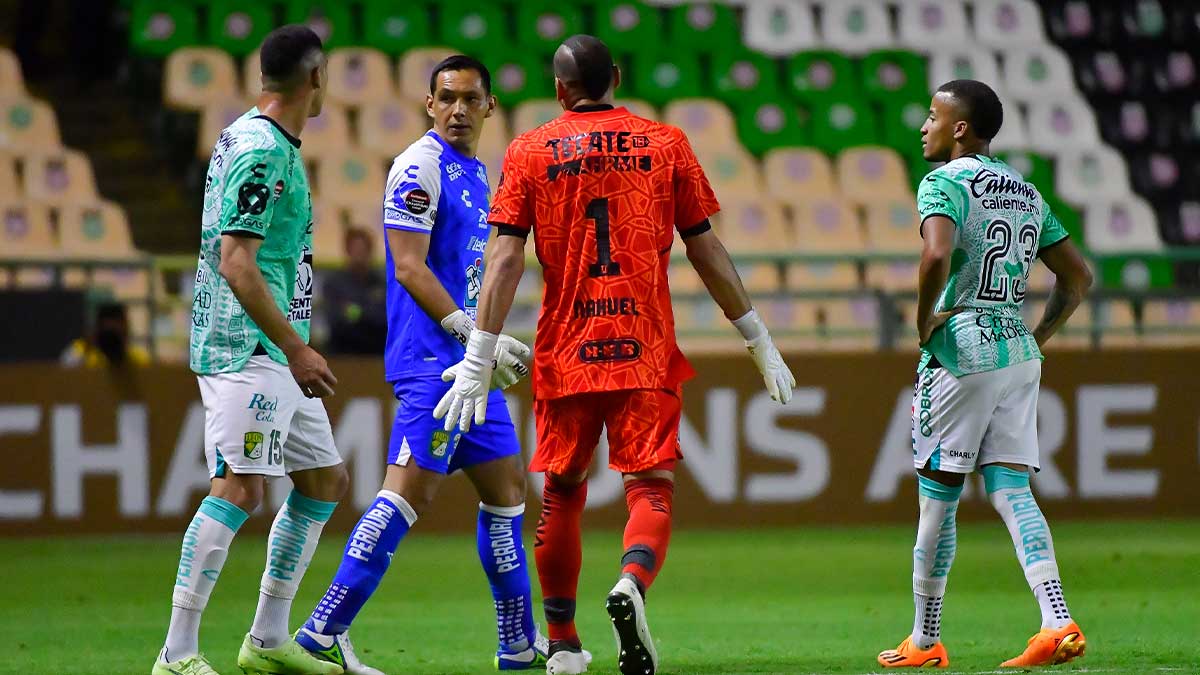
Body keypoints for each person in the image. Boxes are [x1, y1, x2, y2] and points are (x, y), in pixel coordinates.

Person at [436, 35, 796, 675]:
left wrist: (478, 355)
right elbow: (706, 249)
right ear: (617, 78)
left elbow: (506, 258)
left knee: (564, 493)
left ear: (558, 89)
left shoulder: (528, 150)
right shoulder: (667, 144)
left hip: (566, 347)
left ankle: (566, 643)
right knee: (650, 488)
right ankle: (632, 579)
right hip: (645, 346)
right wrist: (758, 339)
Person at [294, 55, 552, 673]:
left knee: (508, 492)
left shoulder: (478, 171)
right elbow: (407, 265)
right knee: (406, 495)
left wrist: (482, 343)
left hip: (469, 364)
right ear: (428, 105)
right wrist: (468, 331)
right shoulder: (419, 167)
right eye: (447, 98)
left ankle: (516, 642)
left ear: (490, 107)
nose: (459, 109)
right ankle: (321, 631)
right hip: (432, 363)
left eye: (470, 99)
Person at [155, 25, 355, 675]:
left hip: (272, 345)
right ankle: (176, 653)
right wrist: (296, 347)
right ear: (315, 79)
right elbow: (237, 261)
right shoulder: (264, 151)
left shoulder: (250, 136)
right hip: (249, 346)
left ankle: (267, 639)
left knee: (324, 479)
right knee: (238, 486)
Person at [876, 80, 1092, 669]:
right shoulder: (1024, 190)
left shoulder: (942, 182)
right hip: (1016, 349)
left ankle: (924, 639)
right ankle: (1056, 619)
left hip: (961, 349)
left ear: (960, 128)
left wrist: (923, 321)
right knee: (1011, 489)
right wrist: (1035, 337)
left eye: (932, 115)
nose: (924, 126)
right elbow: (1078, 278)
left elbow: (937, 254)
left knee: (937, 500)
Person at [323, 227, 387, 355]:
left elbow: (384, 320)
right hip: (342, 355)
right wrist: (369, 313)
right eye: (356, 249)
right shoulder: (334, 283)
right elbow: (336, 322)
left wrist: (357, 313)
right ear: (347, 251)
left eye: (363, 249)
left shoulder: (381, 283)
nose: (359, 254)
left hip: (376, 355)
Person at [61, 301, 151, 368]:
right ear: (98, 329)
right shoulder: (81, 352)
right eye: (108, 333)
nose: (112, 339)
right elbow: (64, 370)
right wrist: (87, 347)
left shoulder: (137, 359)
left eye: (117, 333)